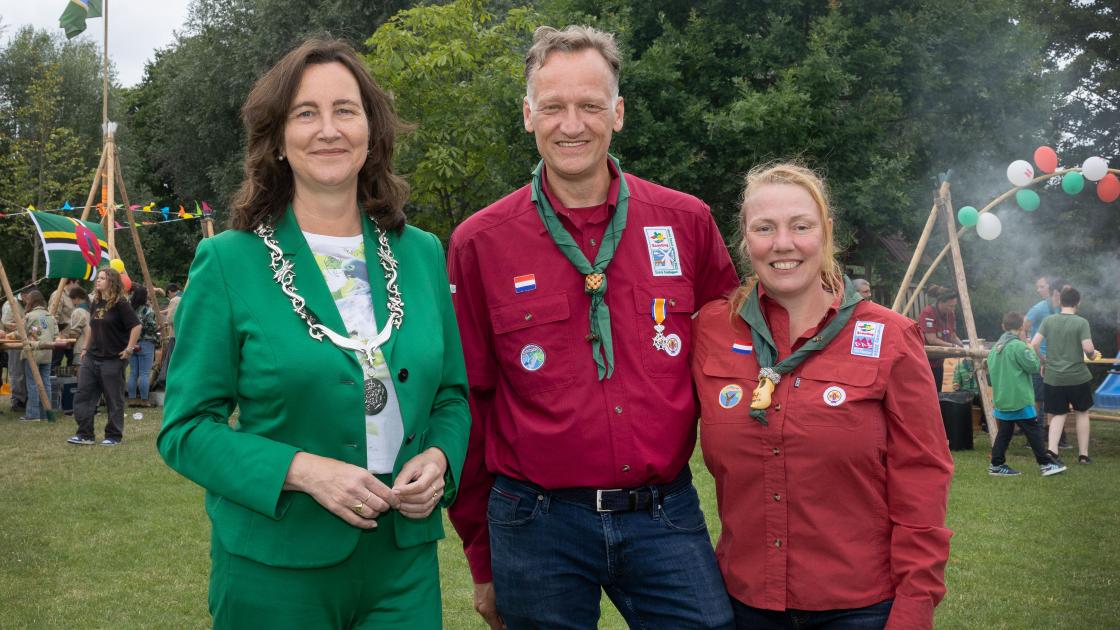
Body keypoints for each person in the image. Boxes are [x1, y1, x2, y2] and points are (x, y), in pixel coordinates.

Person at [156, 38, 469, 629]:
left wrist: (441, 458)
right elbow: (185, 430)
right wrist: (303, 470)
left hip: (403, 567)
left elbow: (452, 394)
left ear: (371, 132)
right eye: (306, 113)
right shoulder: (227, 262)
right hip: (277, 566)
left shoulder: (423, 253)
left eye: (345, 111)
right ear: (277, 139)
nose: (328, 129)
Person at [447, 25, 738, 629]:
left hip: (663, 512)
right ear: (528, 115)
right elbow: (467, 403)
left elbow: (737, 355)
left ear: (619, 113)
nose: (571, 124)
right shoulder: (480, 243)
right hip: (535, 522)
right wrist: (482, 557)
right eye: (553, 107)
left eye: (589, 106)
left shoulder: (686, 223)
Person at [691, 163, 953, 630]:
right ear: (745, 239)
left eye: (801, 226)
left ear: (827, 233)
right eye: (764, 228)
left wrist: (915, 605)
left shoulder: (889, 336)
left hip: (859, 609)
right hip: (743, 605)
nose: (783, 244)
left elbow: (923, 479)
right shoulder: (712, 329)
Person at [986, 311, 1066, 477]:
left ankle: (996, 464)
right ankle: (1045, 464)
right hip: (1019, 398)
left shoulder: (995, 348)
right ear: (1021, 326)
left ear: (1003, 326)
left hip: (1002, 397)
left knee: (1005, 432)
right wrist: (1029, 348)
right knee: (1033, 430)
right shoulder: (1019, 346)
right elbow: (1033, 367)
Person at [68, 268, 139, 446]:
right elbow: (91, 326)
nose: (98, 281)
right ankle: (85, 434)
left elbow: (136, 326)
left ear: (111, 281)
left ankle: (113, 436)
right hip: (92, 357)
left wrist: (129, 348)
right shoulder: (96, 302)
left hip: (113, 359)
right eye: (97, 278)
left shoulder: (121, 304)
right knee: (83, 394)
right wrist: (85, 347)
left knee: (113, 399)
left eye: (102, 278)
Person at [1032, 286, 1099, 465]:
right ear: (1078, 302)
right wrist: (1092, 355)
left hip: (1053, 377)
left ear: (1060, 301)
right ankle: (1083, 455)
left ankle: (1052, 451)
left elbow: (1034, 344)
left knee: (1057, 413)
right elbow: (1088, 348)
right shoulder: (1081, 322)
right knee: (1082, 413)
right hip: (1078, 377)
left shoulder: (1048, 320)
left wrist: (1043, 360)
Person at [1024, 275, 1070, 447]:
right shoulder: (1038, 308)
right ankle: (1035, 436)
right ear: (1056, 293)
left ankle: (1057, 436)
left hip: (1059, 360)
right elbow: (1023, 329)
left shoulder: (1065, 309)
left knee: (1058, 397)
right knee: (1039, 398)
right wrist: (1028, 350)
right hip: (1040, 360)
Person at [18, 290, 58, 422]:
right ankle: (46, 412)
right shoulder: (50, 316)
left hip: (33, 352)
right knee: (46, 382)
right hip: (47, 353)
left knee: (32, 383)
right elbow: (56, 335)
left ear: (31, 301)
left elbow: (21, 333)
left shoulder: (29, 316)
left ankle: (33, 414)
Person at [918, 286, 963, 390]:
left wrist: (962, 346)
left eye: (954, 306)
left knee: (938, 392)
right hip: (925, 364)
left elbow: (952, 336)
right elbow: (932, 339)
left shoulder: (950, 314)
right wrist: (953, 347)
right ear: (941, 302)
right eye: (950, 306)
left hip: (939, 362)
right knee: (928, 392)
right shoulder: (928, 313)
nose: (953, 309)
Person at [125, 285, 158, 407]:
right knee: (144, 373)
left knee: (133, 372)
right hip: (146, 343)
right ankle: (144, 400)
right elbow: (151, 326)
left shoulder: (129, 309)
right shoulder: (147, 310)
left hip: (132, 342)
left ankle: (132, 399)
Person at [2, 290, 30, 411]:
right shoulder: (11, 303)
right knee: (16, 372)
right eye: (29, 298)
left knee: (26, 372)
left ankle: (26, 398)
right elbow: (7, 323)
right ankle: (17, 400)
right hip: (13, 342)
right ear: (24, 295)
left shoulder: (27, 303)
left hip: (25, 341)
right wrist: (25, 325)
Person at [49, 278, 78, 370]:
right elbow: (53, 316)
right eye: (77, 283)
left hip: (71, 337)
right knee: (55, 362)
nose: (78, 286)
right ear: (71, 282)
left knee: (73, 362)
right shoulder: (58, 295)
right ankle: (53, 383)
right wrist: (57, 334)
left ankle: (68, 384)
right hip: (60, 337)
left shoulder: (73, 296)